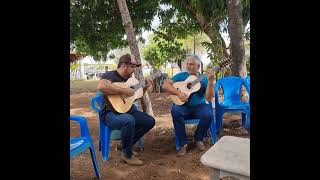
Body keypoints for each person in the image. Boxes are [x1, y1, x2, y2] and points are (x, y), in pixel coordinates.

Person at [97, 54, 155, 165]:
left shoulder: (130, 80)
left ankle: (124, 145)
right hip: (110, 113)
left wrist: (146, 86)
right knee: (128, 120)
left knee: (149, 121)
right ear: (124, 65)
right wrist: (123, 91)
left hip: (127, 109)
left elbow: (136, 94)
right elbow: (101, 86)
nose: (134, 70)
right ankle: (127, 155)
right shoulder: (110, 75)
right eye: (132, 66)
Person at [162, 55, 216, 156]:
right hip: (183, 107)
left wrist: (210, 82)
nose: (188, 66)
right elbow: (165, 85)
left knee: (208, 114)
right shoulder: (181, 76)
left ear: (198, 66)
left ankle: (198, 138)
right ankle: (183, 144)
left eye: (191, 64)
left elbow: (208, 98)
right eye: (187, 64)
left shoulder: (203, 79)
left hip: (199, 106)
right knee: (175, 111)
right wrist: (178, 93)